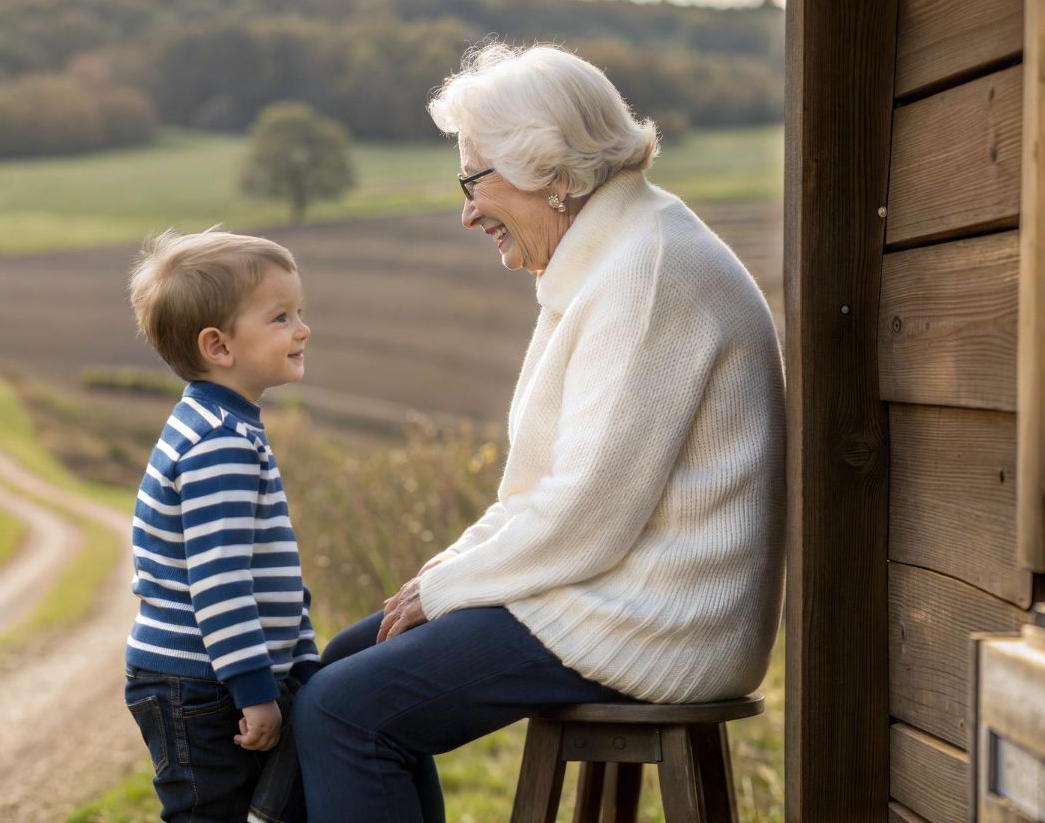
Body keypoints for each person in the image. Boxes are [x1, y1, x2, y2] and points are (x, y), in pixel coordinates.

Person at [293, 42, 787, 822]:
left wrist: (449, 589)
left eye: (474, 179)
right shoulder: (604, 259)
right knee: (337, 671)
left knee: (343, 710)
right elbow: (536, 492)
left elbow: (589, 511)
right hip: (606, 588)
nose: (465, 211)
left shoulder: (644, 273)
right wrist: (445, 571)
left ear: (554, 173)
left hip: (661, 618)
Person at [124, 227, 319, 823]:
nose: (303, 329)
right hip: (202, 689)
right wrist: (256, 691)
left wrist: (302, 664)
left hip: (216, 680)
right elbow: (221, 584)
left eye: (299, 313)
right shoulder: (219, 445)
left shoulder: (226, 426)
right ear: (219, 346)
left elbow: (274, 578)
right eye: (281, 317)